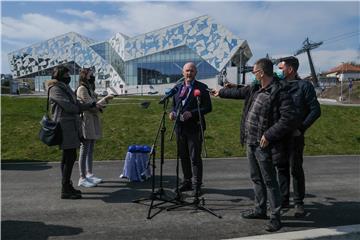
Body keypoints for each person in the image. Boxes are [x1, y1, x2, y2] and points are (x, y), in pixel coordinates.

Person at [212, 58, 298, 232]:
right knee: (256, 178)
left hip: (264, 145)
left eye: (254, 71)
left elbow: (289, 118)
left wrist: (269, 134)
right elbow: (238, 93)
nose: (253, 74)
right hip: (250, 142)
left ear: (261, 73)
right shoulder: (255, 88)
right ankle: (260, 209)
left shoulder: (280, 91)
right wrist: (220, 92)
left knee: (269, 181)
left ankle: (275, 216)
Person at [46, 66, 102, 199]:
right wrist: (81, 107)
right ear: (59, 75)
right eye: (66, 74)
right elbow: (69, 106)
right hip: (64, 127)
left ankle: (67, 185)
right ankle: (65, 188)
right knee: (69, 157)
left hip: (71, 126)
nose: (68, 76)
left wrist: (90, 105)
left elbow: (76, 103)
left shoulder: (65, 88)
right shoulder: (55, 89)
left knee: (69, 157)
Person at [275, 56, 321, 217]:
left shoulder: (304, 86)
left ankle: (299, 203)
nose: (278, 71)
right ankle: (284, 199)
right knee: (281, 167)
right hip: (279, 134)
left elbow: (315, 110)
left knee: (295, 168)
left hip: (295, 135)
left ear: (290, 69)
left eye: (281, 68)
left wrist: (301, 128)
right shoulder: (278, 85)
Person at [169, 62, 212, 198]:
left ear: (196, 73)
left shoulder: (202, 88)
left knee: (194, 157)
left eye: (192, 71)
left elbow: (208, 107)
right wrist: (172, 113)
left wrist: (192, 113)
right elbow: (174, 106)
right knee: (183, 156)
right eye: (187, 71)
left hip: (194, 127)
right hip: (180, 127)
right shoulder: (177, 88)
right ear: (183, 73)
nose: (189, 73)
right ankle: (187, 181)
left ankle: (196, 185)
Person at [76, 68, 113, 188]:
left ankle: (89, 174)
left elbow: (95, 104)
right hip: (86, 121)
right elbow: (91, 106)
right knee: (84, 148)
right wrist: (105, 100)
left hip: (92, 120)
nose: (93, 77)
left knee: (90, 149)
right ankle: (82, 177)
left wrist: (105, 100)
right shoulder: (82, 89)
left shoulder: (89, 88)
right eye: (91, 75)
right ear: (84, 76)